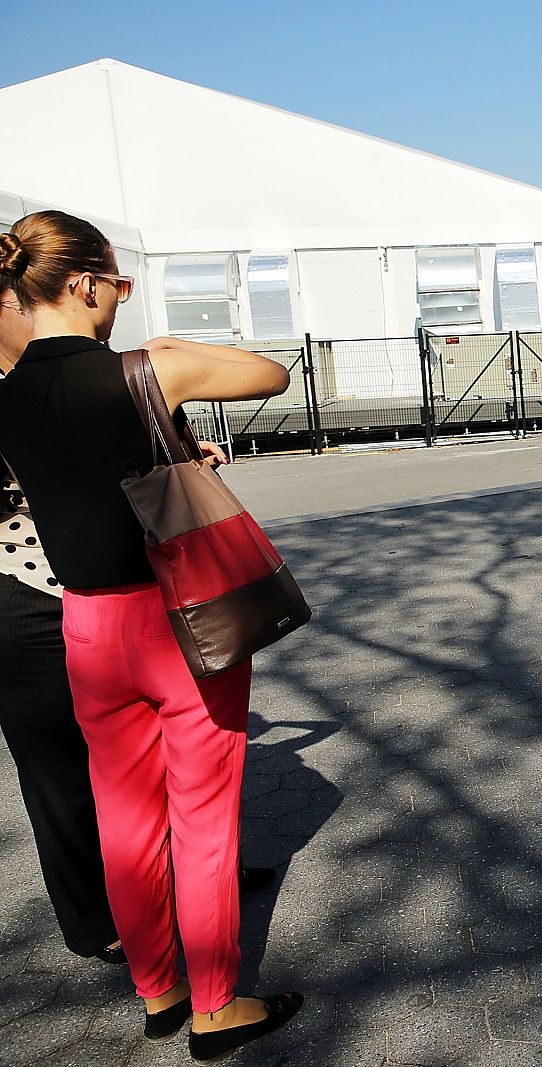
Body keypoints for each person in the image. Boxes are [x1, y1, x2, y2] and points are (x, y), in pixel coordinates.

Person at [0, 210, 304, 1058]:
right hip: (177, 617)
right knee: (203, 816)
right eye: (118, 285)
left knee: (125, 817)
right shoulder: (152, 366)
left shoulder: (7, 396)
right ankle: (215, 1004)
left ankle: (157, 988)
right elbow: (271, 374)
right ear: (91, 283)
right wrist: (167, 346)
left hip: (85, 622)